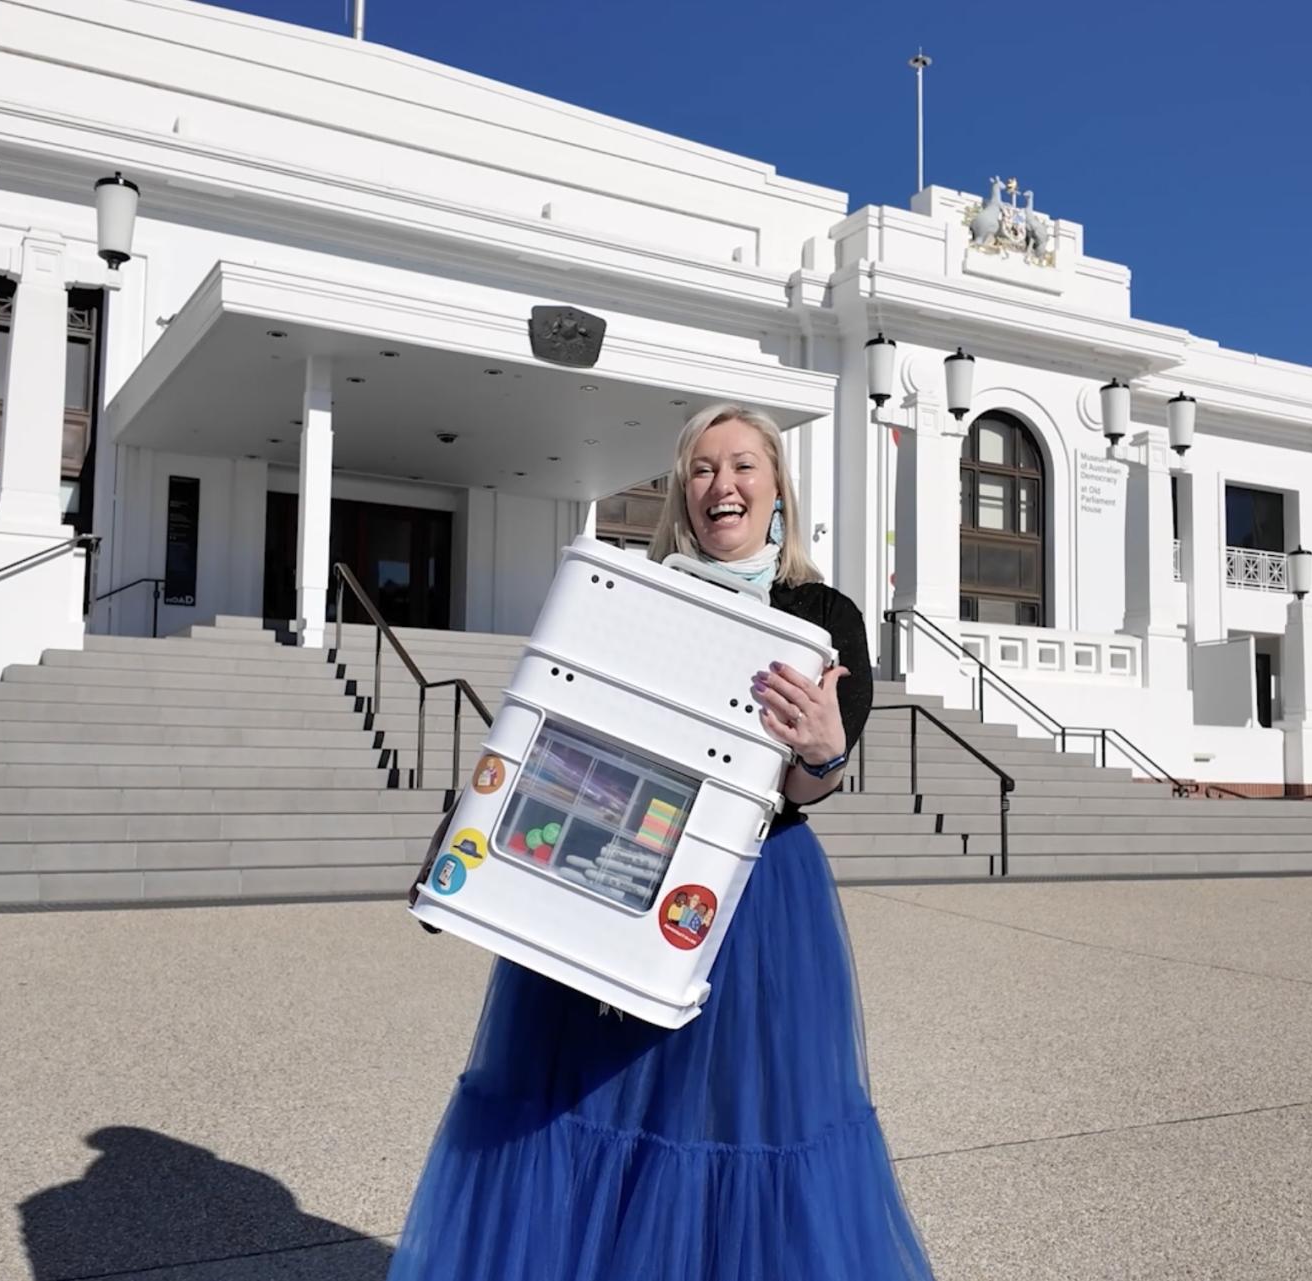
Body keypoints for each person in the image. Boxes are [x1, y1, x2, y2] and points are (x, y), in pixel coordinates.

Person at [389, 404, 934, 1280]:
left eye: (743, 465)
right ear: (683, 492)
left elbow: (803, 787)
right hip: (605, 867)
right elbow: (561, 732)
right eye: (704, 469)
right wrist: (472, 842)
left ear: (777, 488)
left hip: (751, 898)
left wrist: (824, 747)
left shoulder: (822, 613)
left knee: (732, 1121)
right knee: (588, 1106)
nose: (723, 485)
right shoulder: (629, 595)